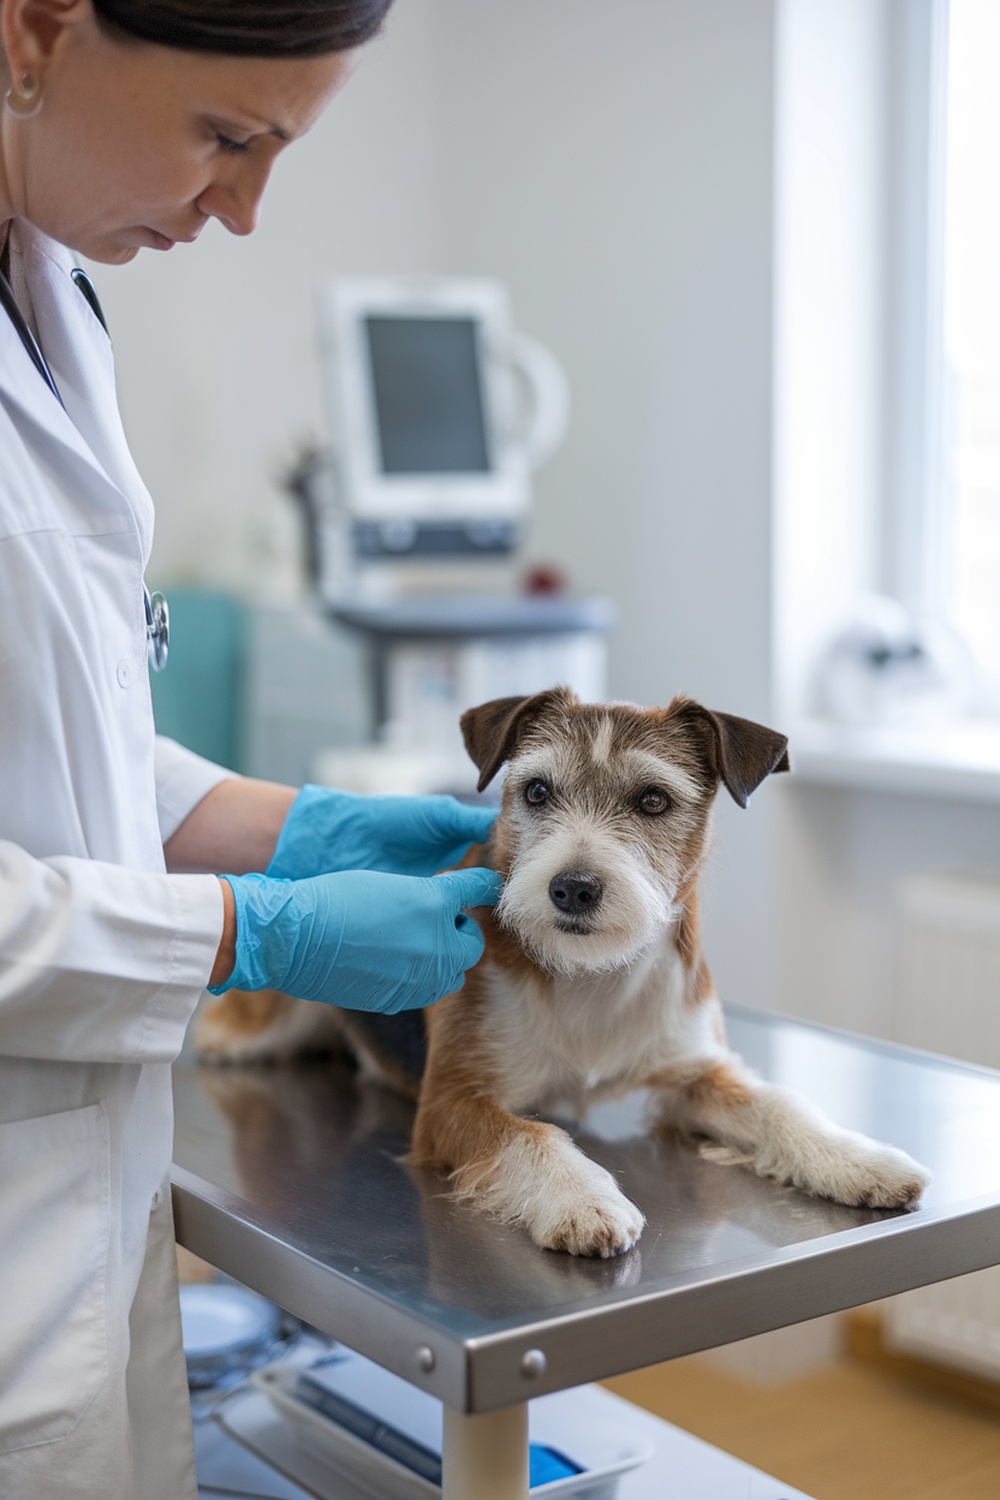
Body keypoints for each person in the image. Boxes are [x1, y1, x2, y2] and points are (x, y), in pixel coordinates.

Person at [0, 1, 502, 1494]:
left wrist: (288, 827)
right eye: (226, 137)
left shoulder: (53, 297)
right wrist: (256, 929)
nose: (241, 209)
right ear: (33, 27)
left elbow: (63, 747)